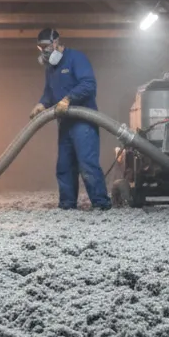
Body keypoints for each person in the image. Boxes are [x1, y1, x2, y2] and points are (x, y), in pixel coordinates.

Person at [29, 29, 112, 210]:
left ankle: (101, 204)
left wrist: (68, 98)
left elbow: (88, 84)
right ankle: (67, 205)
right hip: (65, 123)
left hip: (83, 121)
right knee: (64, 165)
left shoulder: (76, 58)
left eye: (46, 46)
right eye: (40, 47)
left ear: (56, 42)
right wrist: (42, 104)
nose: (43, 50)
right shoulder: (51, 68)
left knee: (87, 163)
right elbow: (49, 92)